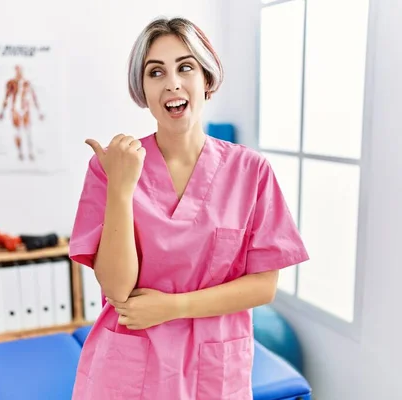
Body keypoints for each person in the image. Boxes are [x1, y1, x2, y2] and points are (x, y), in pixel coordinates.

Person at [68, 16, 309, 400]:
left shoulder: (252, 172)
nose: (172, 83)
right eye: (155, 72)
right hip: (129, 370)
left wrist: (173, 307)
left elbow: (264, 286)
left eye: (185, 67)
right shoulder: (111, 166)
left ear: (207, 80)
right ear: (142, 89)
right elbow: (115, 287)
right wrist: (121, 189)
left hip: (214, 370)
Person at [0, 65, 44, 161]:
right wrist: (2, 111)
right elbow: (6, 97)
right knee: (18, 132)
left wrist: (39, 111)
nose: (19, 72)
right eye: (17, 70)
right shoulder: (11, 83)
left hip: (25, 110)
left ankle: (30, 152)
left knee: (28, 132)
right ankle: (20, 153)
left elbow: (33, 96)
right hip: (15, 109)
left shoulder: (27, 83)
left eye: (20, 70)